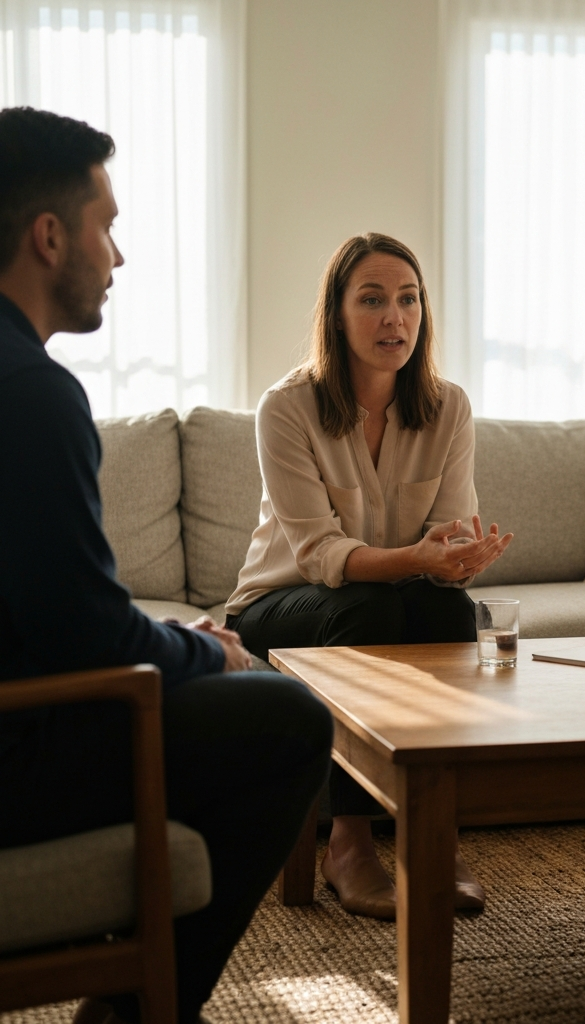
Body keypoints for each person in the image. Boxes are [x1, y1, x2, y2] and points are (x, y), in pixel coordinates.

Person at [0, 106, 334, 1024]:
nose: (119, 255)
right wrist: (206, 652)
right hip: (14, 746)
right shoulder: (30, 394)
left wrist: (169, 640)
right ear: (49, 235)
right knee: (288, 718)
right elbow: (85, 634)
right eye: (108, 226)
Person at [224, 232, 514, 921]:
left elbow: (449, 531)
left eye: (409, 300)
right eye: (374, 300)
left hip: (382, 595)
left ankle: (433, 832)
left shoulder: (449, 408)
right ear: (337, 315)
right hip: (279, 606)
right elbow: (323, 556)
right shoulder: (287, 409)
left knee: (449, 614)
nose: (396, 318)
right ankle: (348, 842)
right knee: (366, 609)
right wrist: (420, 559)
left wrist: (457, 562)